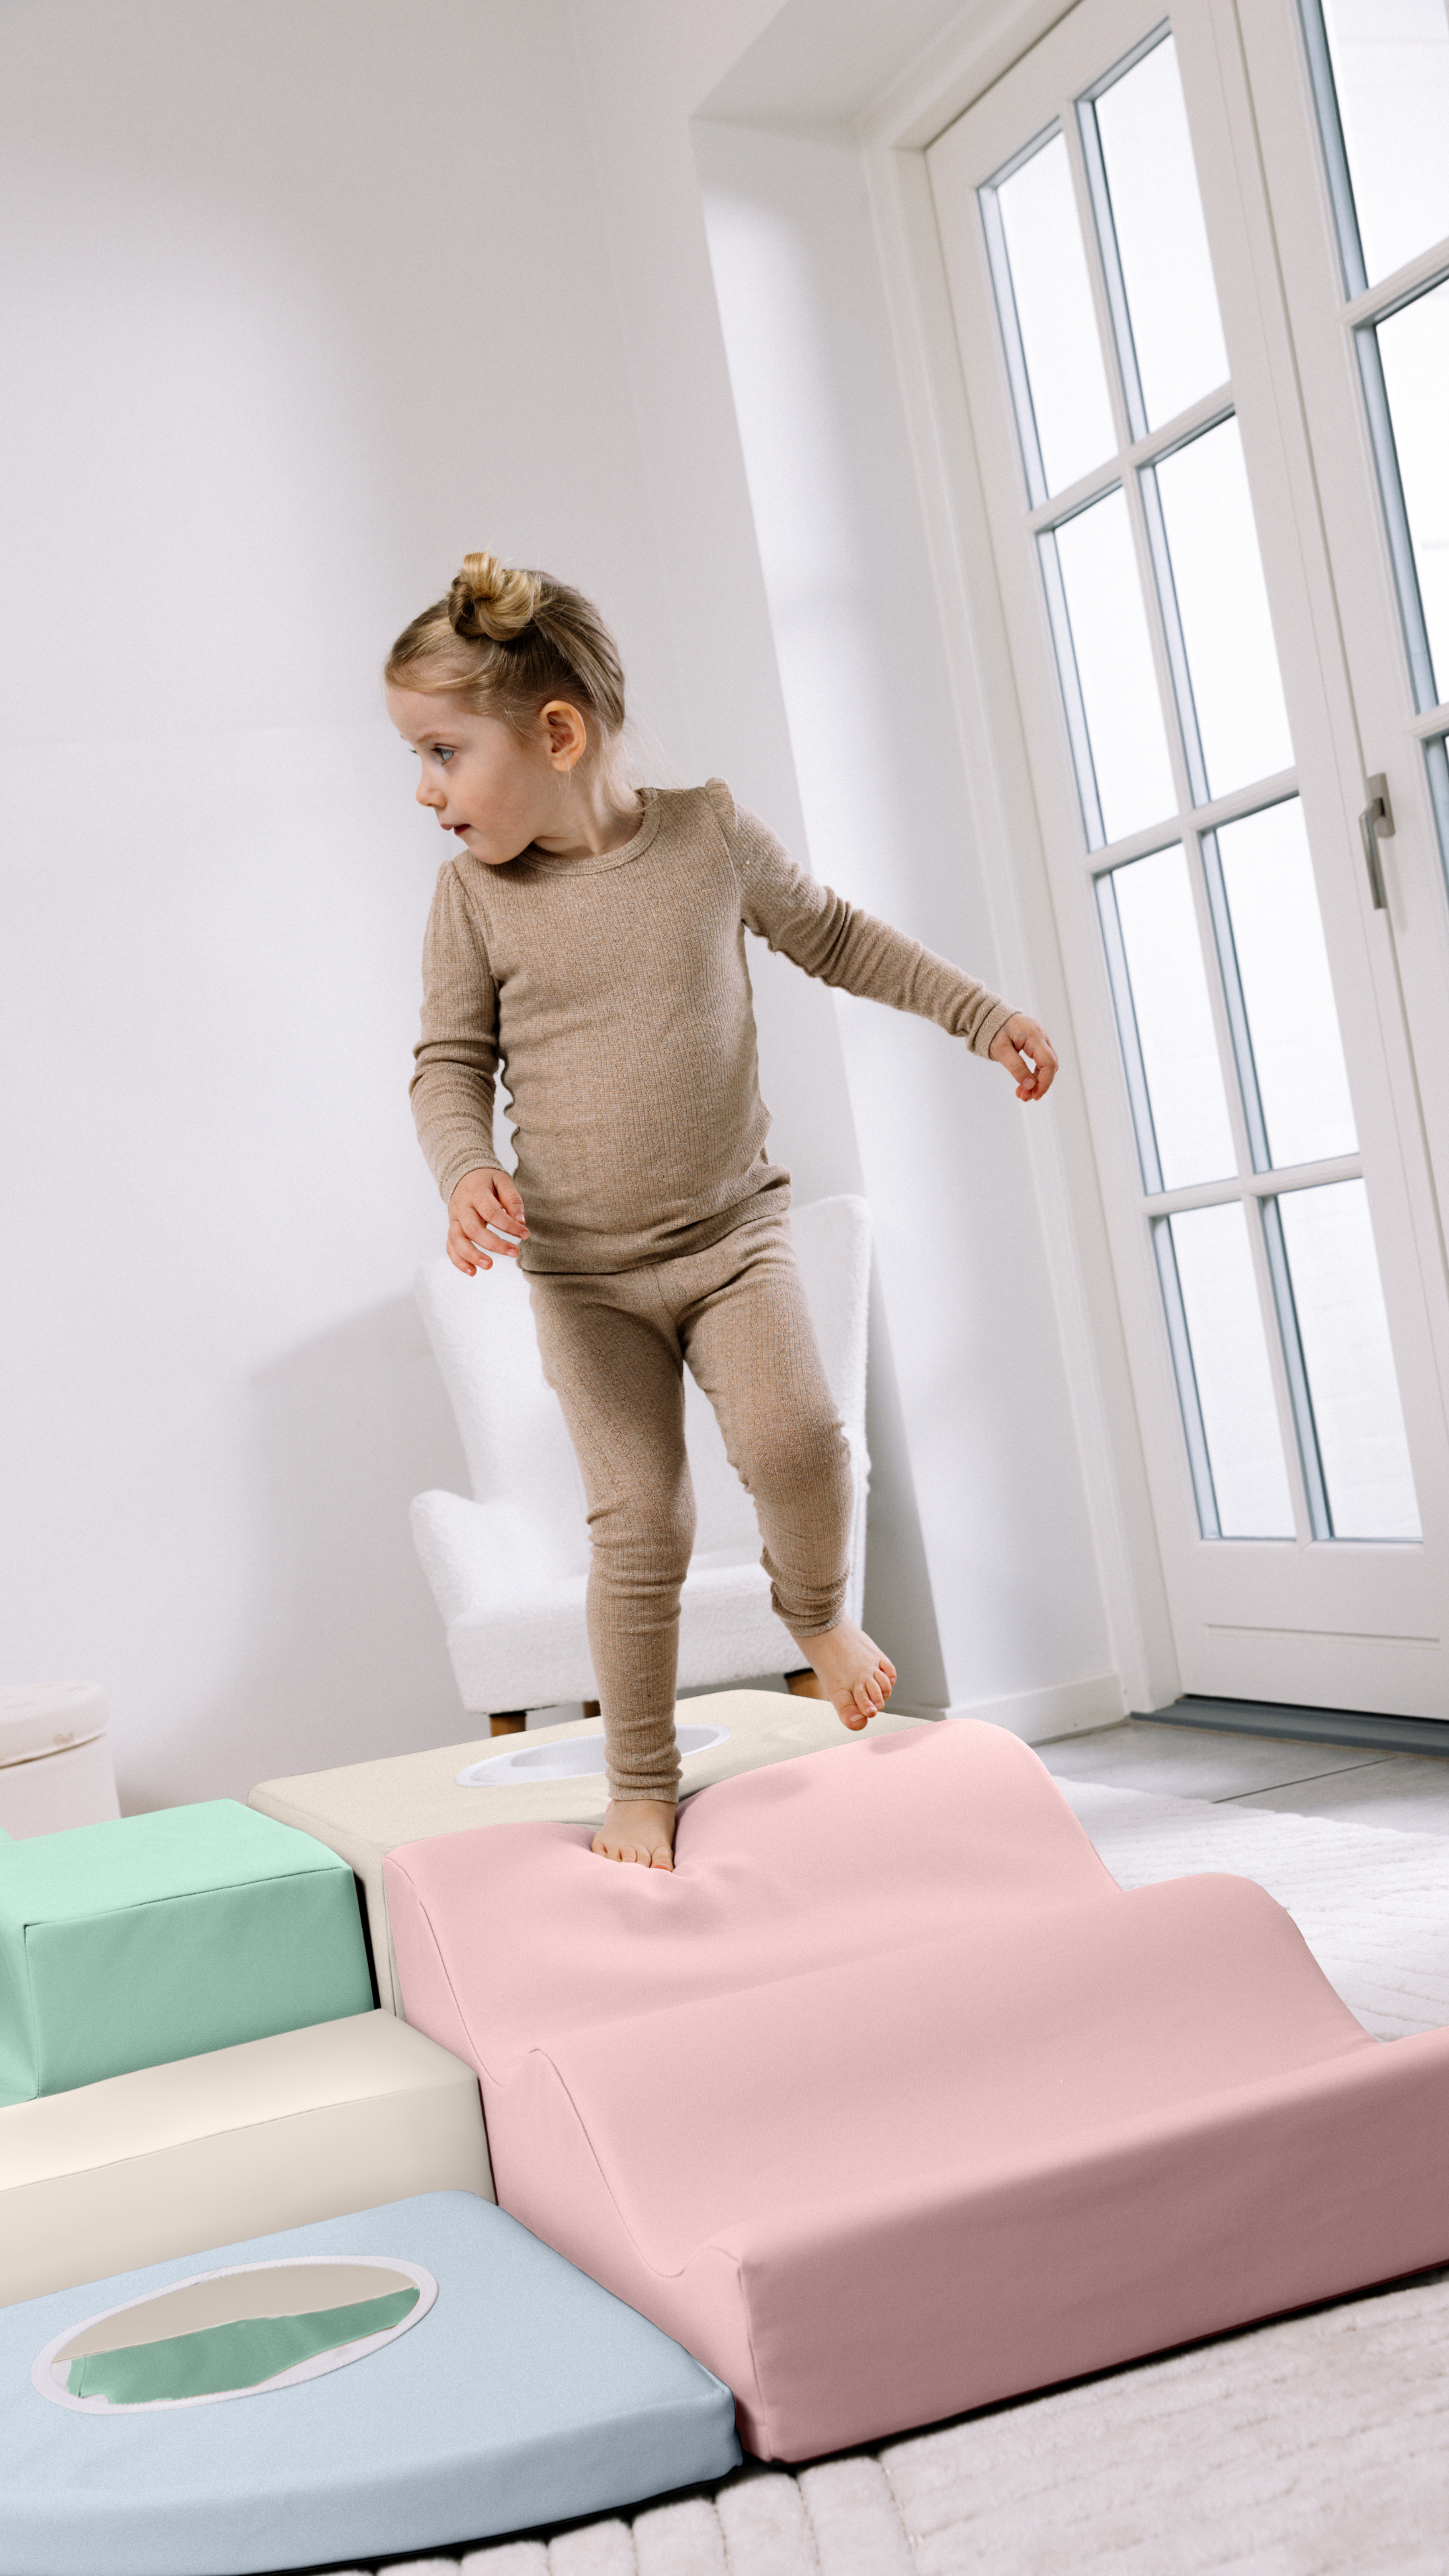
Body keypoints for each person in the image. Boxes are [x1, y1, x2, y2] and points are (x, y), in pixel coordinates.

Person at [390, 552, 1057, 1873]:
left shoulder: (706, 837)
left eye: (444, 753)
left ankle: (816, 1614)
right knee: (641, 1524)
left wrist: (982, 1014)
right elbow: (448, 1064)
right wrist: (464, 1168)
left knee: (806, 1444)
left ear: (558, 733)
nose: (425, 790)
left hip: (732, 1240)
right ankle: (642, 1783)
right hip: (583, 1277)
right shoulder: (474, 899)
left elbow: (838, 936)